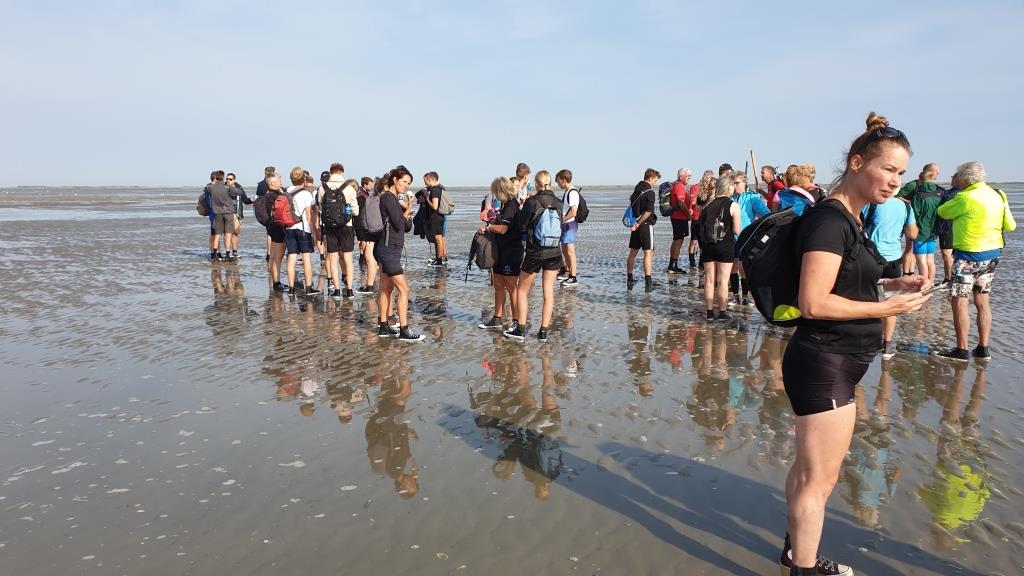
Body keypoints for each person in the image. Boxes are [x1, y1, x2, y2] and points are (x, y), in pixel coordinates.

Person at [779, 112, 930, 576]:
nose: (896, 181)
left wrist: (892, 282)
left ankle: (793, 552)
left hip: (836, 360)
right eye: (889, 169)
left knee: (809, 471)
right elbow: (813, 302)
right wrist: (887, 309)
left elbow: (848, 276)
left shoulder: (851, 217)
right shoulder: (831, 220)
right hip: (825, 362)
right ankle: (804, 568)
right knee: (819, 480)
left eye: (902, 173)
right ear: (858, 162)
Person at [933, 161, 1016, 361]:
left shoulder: (965, 197)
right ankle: (983, 349)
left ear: (966, 178)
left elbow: (942, 211)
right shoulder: (999, 194)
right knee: (982, 301)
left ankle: (961, 350)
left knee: (960, 301)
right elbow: (1010, 226)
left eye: (958, 176)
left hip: (967, 257)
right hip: (992, 255)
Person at [505, 170, 563, 342]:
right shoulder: (559, 202)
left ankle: (521, 329)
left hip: (535, 252)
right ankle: (543, 332)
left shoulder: (532, 202)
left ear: (536, 184)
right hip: (554, 251)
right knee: (548, 293)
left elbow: (522, 226)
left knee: (522, 290)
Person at [863, 194, 918, 359]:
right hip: (893, 258)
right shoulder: (906, 206)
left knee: (864, 298)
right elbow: (913, 234)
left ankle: (865, 341)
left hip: (870, 257)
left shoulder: (871, 202)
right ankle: (887, 346)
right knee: (890, 301)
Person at [375, 166, 426, 342]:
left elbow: (406, 227)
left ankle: (383, 327)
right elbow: (398, 223)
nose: (406, 185)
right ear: (395, 180)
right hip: (388, 249)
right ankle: (404, 329)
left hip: (390, 248)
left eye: (409, 183)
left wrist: (406, 211)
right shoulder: (388, 198)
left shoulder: (393, 199)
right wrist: (407, 208)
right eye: (404, 181)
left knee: (386, 288)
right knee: (404, 289)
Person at [478, 177, 521, 330]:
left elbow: (503, 229)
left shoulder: (511, 206)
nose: (495, 195)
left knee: (511, 286)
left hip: (511, 251)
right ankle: (497, 318)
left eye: (496, 192)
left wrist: (488, 227)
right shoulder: (504, 205)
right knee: (498, 284)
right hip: (500, 250)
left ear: (502, 191)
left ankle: (516, 320)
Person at [699, 173, 742, 320]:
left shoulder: (707, 205)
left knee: (709, 280)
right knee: (723, 280)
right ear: (729, 188)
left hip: (708, 245)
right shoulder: (733, 205)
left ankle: (709, 313)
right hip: (725, 245)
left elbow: (700, 227)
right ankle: (722, 312)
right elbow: (736, 230)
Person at [316, 163, 360, 299]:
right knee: (348, 259)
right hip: (346, 226)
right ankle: (350, 290)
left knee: (333, 259)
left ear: (331, 173)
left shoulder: (322, 188)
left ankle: (336, 290)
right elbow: (356, 212)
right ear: (342, 172)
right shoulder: (349, 188)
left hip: (330, 227)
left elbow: (321, 207)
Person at [729, 172, 770, 305]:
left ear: (744, 183)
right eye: (733, 183)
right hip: (731, 237)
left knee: (743, 269)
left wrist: (757, 229)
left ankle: (746, 296)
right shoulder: (730, 198)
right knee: (733, 267)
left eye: (737, 183)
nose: (735, 186)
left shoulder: (752, 197)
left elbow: (766, 214)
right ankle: (735, 296)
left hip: (746, 238)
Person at [897, 163, 940, 274]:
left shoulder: (933, 187)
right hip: (910, 221)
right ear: (927, 172)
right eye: (936, 172)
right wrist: (911, 202)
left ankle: (912, 272)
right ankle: (906, 273)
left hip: (922, 224)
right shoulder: (913, 185)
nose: (937, 175)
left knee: (917, 252)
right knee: (909, 248)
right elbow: (897, 196)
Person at [284, 167, 318, 297]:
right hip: (303, 228)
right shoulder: (306, 194)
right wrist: (314, 232)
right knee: (306, 258)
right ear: (303, 179)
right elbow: (309, 216)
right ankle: (308, 287)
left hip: (289, 228)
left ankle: (291, 288)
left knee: (291, 258)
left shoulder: (286, 192)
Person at [626, 168, 659, 292]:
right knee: (648, 253)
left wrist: (635, 224)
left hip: (635, 224)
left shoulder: (636, 190)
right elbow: (649, 211)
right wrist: (639, 223)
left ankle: (630, 278)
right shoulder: (650, 192)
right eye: (655, 180)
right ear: (650, 178)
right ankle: (648, 282)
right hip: (644, 225)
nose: (655, 183)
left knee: (633, 253)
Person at [908, 175, 943, 286]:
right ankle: (930, 284)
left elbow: (915, 214)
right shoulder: (939, 194)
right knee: (930, 261)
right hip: (933, 232)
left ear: (920, 181)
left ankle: (924, 286)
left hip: (920, 232)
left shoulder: (918, 195)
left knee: (921, 262)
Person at [207, 170, 240, 262]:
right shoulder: (227, 187)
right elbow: (239, 192)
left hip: (217, 213)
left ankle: (214, 255)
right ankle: (227, 255)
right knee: (228, 234)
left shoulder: (211, 187)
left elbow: (207, 189)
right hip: (228, 212)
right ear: (223, 177)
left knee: (217, 234)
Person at [555, 169, 580, 286]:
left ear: (564, 179)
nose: (558, 184)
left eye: (558, 181)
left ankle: (573, 277)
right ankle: (568, 272)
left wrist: (561, 220)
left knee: (570, 251)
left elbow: (573, 212)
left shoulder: (572, 193)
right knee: (565, 250)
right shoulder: (567, 192)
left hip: (570, 224)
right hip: (565, 224)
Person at [264, 174, 289, 292]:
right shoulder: (275, 196)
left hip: (272, 227)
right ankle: (277, 282)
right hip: (278, 227)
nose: (281, 183)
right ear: (272, 184)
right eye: (279, 181)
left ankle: (275, 281)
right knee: (277, 257)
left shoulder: (268, 195)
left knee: (273, 257)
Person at [935, 174, 961, 284]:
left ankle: (948, 279)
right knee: (952, 255)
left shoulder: (954, 193)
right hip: (955, 227)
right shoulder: (960, 192)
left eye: (953, 178)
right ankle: (951, 278)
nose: (951, 180)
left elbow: (946, 197)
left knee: (947, 254)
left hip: (948, 227)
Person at [688, 170, 715, 269]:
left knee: (697, 241)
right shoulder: (697, 187)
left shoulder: (709, 189)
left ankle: (696, 262)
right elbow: (693, 202)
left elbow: (693, 202)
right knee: (699, 241)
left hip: (699, 217)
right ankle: (696, 262)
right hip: (698, 217)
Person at [667, 168, 692, 274]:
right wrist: (688, 215)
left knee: (676, 240)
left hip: (677, 217)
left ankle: (672, 265)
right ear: (681, 177)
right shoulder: (680, 186)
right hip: (679, 218)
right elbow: (681, 203)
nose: (689, 178)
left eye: (690, 176)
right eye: (687, 176)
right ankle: (673, 266)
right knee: (678, 241)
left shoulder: (677, 185)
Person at [424, 171, 448, 267]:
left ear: (431, 179)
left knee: (438, 238)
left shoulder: (434, 190)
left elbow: (434, 206)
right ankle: (440, 258)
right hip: (441, 216)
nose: (425, 183)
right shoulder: (441, 188)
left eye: (426, 181)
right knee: (440, 237)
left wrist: (427, 199)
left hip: (436, 217)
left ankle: (439, 260)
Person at [227, 173, 252, 262]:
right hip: (226, 214)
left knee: (235, 234)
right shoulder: (224, 188)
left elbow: (245, 200)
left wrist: (253, 200)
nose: (228, 180)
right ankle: (227, 253)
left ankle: (235, 252)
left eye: (230, 179)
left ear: (234, 180)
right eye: (227, 179)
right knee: (227, 234)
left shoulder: (239, 188)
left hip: (237, 214)